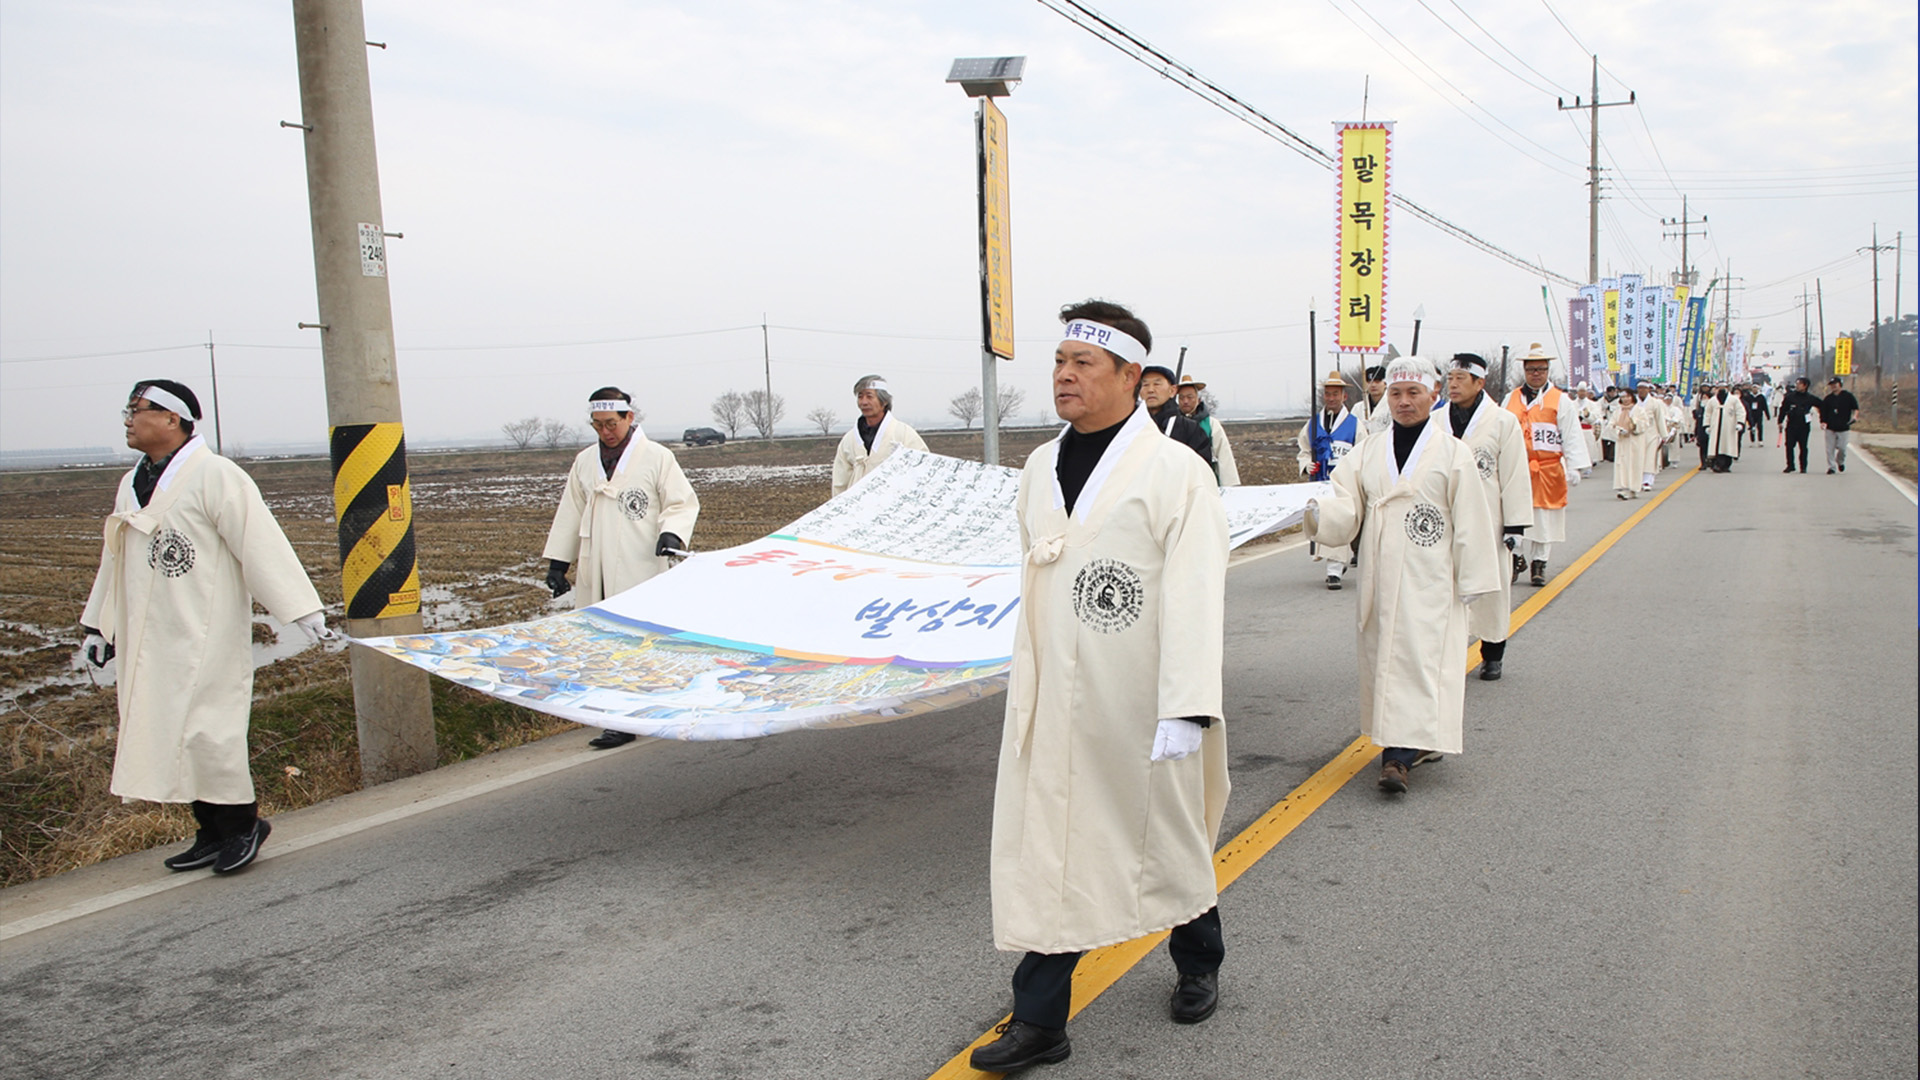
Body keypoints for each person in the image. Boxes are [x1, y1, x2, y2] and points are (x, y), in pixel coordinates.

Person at [969, 300, 1230, 1073]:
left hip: (1141, 697)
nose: (1064, 375)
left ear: (1131, 375)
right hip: (1054, 701)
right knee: (1054, 847)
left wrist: (1186, 705)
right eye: (1058, 361)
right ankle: (1041, 1020)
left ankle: (1199, 961)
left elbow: (1195, 590)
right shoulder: (1038, 469)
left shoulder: (1177, 472)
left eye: (1084, 363)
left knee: (1165, 837)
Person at [81, 379, 329, 875]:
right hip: (149, 634)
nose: (129, 420)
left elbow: (258, 542)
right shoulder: (133, 482)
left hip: (202, 628)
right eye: (128, 410)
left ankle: (242, 826)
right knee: (167, 729)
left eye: (138, 410)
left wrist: (302, 610)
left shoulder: (216, 475)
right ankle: (209, 832)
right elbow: (116, 556)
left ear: (172, 419)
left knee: (210, 730)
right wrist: (98, 627)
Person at [1305, 356, 1499, 793]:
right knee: (1386, 660)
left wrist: (1473, 582)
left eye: (1414, 393)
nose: (1404, 402)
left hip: (1431, 577)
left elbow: (1471, 518)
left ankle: (1398, 757)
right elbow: (1346, 501)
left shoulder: (1453, 453)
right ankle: (1408, 744)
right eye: (1396, 393)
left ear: (1433, 396)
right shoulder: (1368, 451)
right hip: (1380, 574)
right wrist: (1320, 513)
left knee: (1421, 661)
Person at [544, 387, 700, 749]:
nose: (605, 432)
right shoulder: (585, 462)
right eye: (598, 425)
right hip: (595, 563)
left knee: (643, 638)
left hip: (640, 562)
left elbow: (681, 502)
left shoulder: (657, 457)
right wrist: (558, 564)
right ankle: (618, 716)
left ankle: (655, 703)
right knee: (605, 641)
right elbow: (570, 511)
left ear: (629, 418)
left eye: (611, 424)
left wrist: (672, 534)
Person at [1441, 354, 1532, 681]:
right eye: (1449, 378)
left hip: (1489, 519)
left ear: (1480, 383)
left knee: (1492, 589)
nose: (1452, 384)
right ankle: (1446, 653)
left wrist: (1515, 525)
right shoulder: (1437, 421)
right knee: (1446, 586)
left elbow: (1514, 476)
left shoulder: (1503, 422)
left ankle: (1492, 653)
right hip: (1448, 518)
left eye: (1460, 378)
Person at [1502, 344, 1591, 587]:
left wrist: (1575, 465)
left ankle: (1539, 563)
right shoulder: (1511, 398)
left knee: (1543, 518)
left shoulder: (1560, 400)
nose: (1536, 374)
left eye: (1541, 369)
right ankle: (1515, 557)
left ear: (1548, 370)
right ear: (1524, 370)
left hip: (1547, 468)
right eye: (1531, 369)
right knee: (1513, 514)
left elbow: (1571, 434)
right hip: (1516, 468)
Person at [1296, 372, 1364, 588]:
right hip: (1320, 482)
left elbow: (1364, 453)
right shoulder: (1313, 424)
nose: (1331, 398)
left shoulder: (1355, 424)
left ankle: (1334, 569)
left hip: (1344, 485)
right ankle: (1337, 561)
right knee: (1322, 522)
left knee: (1338, 521)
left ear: (1344, 397)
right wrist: (1307, 465)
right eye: (1327, 394)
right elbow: (1304, 449)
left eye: (1335, 394)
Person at [831, 374, 928, 495]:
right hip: (858, 506)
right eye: (860, 397)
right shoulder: (849, 440)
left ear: (884, 401)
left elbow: (923, 469)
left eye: (869, 396)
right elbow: (840, 481)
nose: (864, 402)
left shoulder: (904, 434)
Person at [1139, 364, 1214, 466]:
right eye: (1145, 385)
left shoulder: (1191, 429)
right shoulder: (1131, 427)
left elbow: (1201, 470)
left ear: (1172, 391)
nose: (1150, 390)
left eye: (1157, 384)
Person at [1176, 373, 1240, 485]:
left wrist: (1230, 486)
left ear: (1198, 399)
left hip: (1205, 481)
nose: (1185, 401)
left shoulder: (1211, 424)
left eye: (1190, 397)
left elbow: (1224, 456)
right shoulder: (1172, 423)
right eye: (1181, 398)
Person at [1778, 377, 1821, 473]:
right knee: (1789, 445)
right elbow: (1783, 409)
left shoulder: (1810, 398)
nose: (1797, 385)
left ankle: (1803, 466)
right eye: (1797, 383)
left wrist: (1823, 419)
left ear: (1805, 386)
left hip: (1804, 426)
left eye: (1799, 383)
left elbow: (1822, 406)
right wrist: (1780, 421)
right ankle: (1790, 465)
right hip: (1791, 425)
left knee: (1803, 447)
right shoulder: (1790, 397)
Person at [1818, 376, 1860, 474]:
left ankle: (1840, 461)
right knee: (1829, 449)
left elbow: (1856, 408)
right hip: (1830, 427)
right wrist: (1823, 421)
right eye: (1832, 385)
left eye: (1835, 385)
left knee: (1842, 448)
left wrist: (1855, 417)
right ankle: (1831, 467)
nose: (1833, 387)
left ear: (1840, 385)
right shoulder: (1828, 399)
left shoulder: (1848, 396)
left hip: (1843, 427)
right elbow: (1823, 411)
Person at [1701, 383, 1745, 473]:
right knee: (1716, 446)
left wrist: (1740, 423)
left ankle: (1726, 465)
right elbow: (1707, 414)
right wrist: (1707, 425)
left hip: (1729, 427)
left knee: (1728, 445)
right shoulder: (1712, 401)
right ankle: (1717, 464)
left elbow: (1740, 411)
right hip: (1715, 426)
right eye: (1719, 387)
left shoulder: (1733, 400)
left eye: (1723, 387)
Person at [1610, 388, 1643, 498]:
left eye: (1628, 397)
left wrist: (1634, 425)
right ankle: (1623, 488)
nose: (1625, 399)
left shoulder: (1639, 410)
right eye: (1623, 397)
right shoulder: (1618, 411)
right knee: (1622, 464)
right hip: (1622, 441)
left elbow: (1644, 424)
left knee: (1633, 465)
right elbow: (1611, 424)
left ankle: (1633, 488)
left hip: (1634, 441)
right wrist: (1618, 430)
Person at [1358, 364, 1392, 435]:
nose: (1373, 385)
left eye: (1377, 381)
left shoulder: (1392, 406)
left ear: (1385, 383)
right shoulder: (1358, 408)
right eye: (1369, 381)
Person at [1598, 385, 1621, 462]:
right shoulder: (1603, 400)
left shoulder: (1618, 400)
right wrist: (1603, 413)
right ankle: (1604, 455)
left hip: (1614, 420)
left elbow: (1619, 408)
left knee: (1613, 439)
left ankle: (1612, 455)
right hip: (1604, 420)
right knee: (1603, 438)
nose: (1612, 393)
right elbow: (1598, 408)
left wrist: (1609, 408)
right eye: (1610, 392)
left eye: (1613, 391)